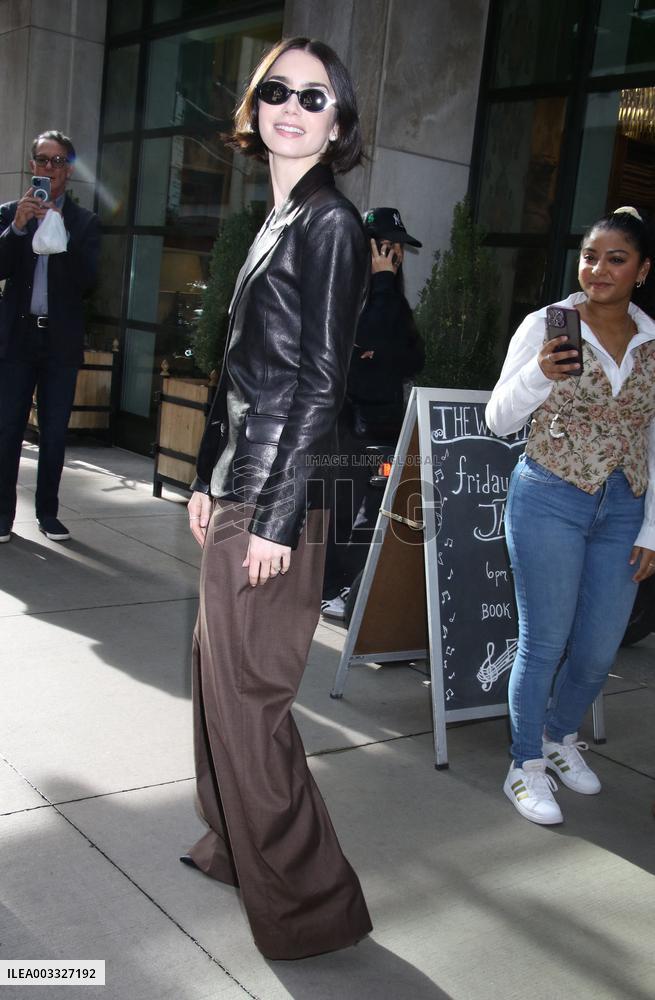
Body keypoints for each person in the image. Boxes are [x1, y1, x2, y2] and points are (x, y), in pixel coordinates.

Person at [181, 37, 372, 960]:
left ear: (337, 124)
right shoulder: (276, 218)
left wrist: (275, 521)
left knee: (249, 699)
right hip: (242, 484)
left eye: (314, 96)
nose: (291, 107)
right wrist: (201, 477)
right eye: (276, 91)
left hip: (276, 496)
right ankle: (236, 847)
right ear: (254, 108)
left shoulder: (330, 223)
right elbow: (244, 373)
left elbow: (322, 383)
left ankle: (311, 904)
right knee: (215, 689)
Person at [486, 207, 655, 826]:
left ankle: (560, 739)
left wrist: (653, 526)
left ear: (642, 269)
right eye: (590, 256)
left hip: (624, 508)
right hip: (550, 496)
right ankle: (524, 765)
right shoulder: (548, 325)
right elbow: (498, 418)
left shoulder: (652, 340)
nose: (599, 269)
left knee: (597, 646)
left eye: (616, 258)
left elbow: (654, 435)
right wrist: (538, 374)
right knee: (544, 641)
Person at [321, 207, 425, 619]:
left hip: (383, 425)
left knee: (370, 516)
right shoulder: (350, 291)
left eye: (398, 247)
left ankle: (346, 587)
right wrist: (381, 285)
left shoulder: (390, 298)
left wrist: (376, 352)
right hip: (349, 426)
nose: (395, 255)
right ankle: (328, 588)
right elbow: (366, 340)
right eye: (387, 247)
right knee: (342, 512)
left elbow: (413, 357)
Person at [0, 130, 100, 543]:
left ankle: (48, 514)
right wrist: (19, 228)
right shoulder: (10, 212)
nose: (49, 168)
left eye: (57, 162)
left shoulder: (84, 222)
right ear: (32, 166)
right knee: (7, 430)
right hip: (17, 341)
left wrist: (60, 236)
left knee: (54, 433)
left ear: (69, 170)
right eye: (42, 160)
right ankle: (3, 517)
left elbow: (88, 281)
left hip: (59, 342)